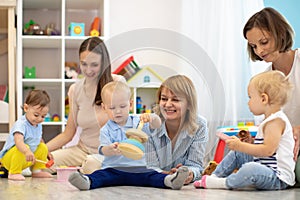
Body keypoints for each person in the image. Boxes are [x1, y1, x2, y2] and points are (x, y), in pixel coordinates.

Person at [68, 81, 189, 190]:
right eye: (112, 108)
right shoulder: (106, 129)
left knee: (153, 176)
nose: (118, 111)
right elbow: (102, 150)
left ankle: (171, 180)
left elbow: (157, 125)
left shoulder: (139, 121)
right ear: (104, 108)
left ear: (130, 104)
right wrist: (110, 149)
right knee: (101, 175)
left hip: (140, 169)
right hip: (114, 169)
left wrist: (152, 118)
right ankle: (87, 181)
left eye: (122, 106)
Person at [196, 71, 295, 190]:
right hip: (265, 167)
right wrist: (250, 143)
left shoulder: (276, 122)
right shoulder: (269, 120)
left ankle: (223, 183)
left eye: (250, 97)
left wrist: (240, 145)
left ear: (263, 99)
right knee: (239, 154)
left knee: (250, 168)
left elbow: (268, 150)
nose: (248, 102)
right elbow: (266, 148)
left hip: (277, 177)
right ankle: (214, 176)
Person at [46, 37, 125, 174]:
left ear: (104, 63)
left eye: (94, 65)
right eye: (84, 64)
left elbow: (123, 124)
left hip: (110, 154)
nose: (88, 70)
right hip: (82, 151)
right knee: (41, 164)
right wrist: (40, 150)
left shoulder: (117, 83)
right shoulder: (75, 90)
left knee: (91, 165)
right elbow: (68, 134)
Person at [243, 7, 300, 182]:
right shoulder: (265, 80)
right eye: (254, 46)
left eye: (264, 42)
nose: (259, 50)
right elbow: (268, 123)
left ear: (280, 33)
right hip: (286, 148)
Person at [146, 75, 208, 184]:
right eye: (164, 99)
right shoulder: (149, 125)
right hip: (156, 185)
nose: (168, 104)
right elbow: (150, 167)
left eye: (175, 99)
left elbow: (196, 166)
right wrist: (167, 175)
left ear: (189, 104)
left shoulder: (200, 126)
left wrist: (189, 173)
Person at [0, 90, 53, 181]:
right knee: (23, 146)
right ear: (26, 108)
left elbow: (39, 139)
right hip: (9, 160)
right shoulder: (21, 124)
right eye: (36, 115)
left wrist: (47, 152)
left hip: (26, 159)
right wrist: (26, 151)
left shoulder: (38, 125)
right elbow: (18, 141)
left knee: (42, 147)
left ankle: (37, 171)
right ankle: (13, 172)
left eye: (43, 116)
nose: (39, 119)